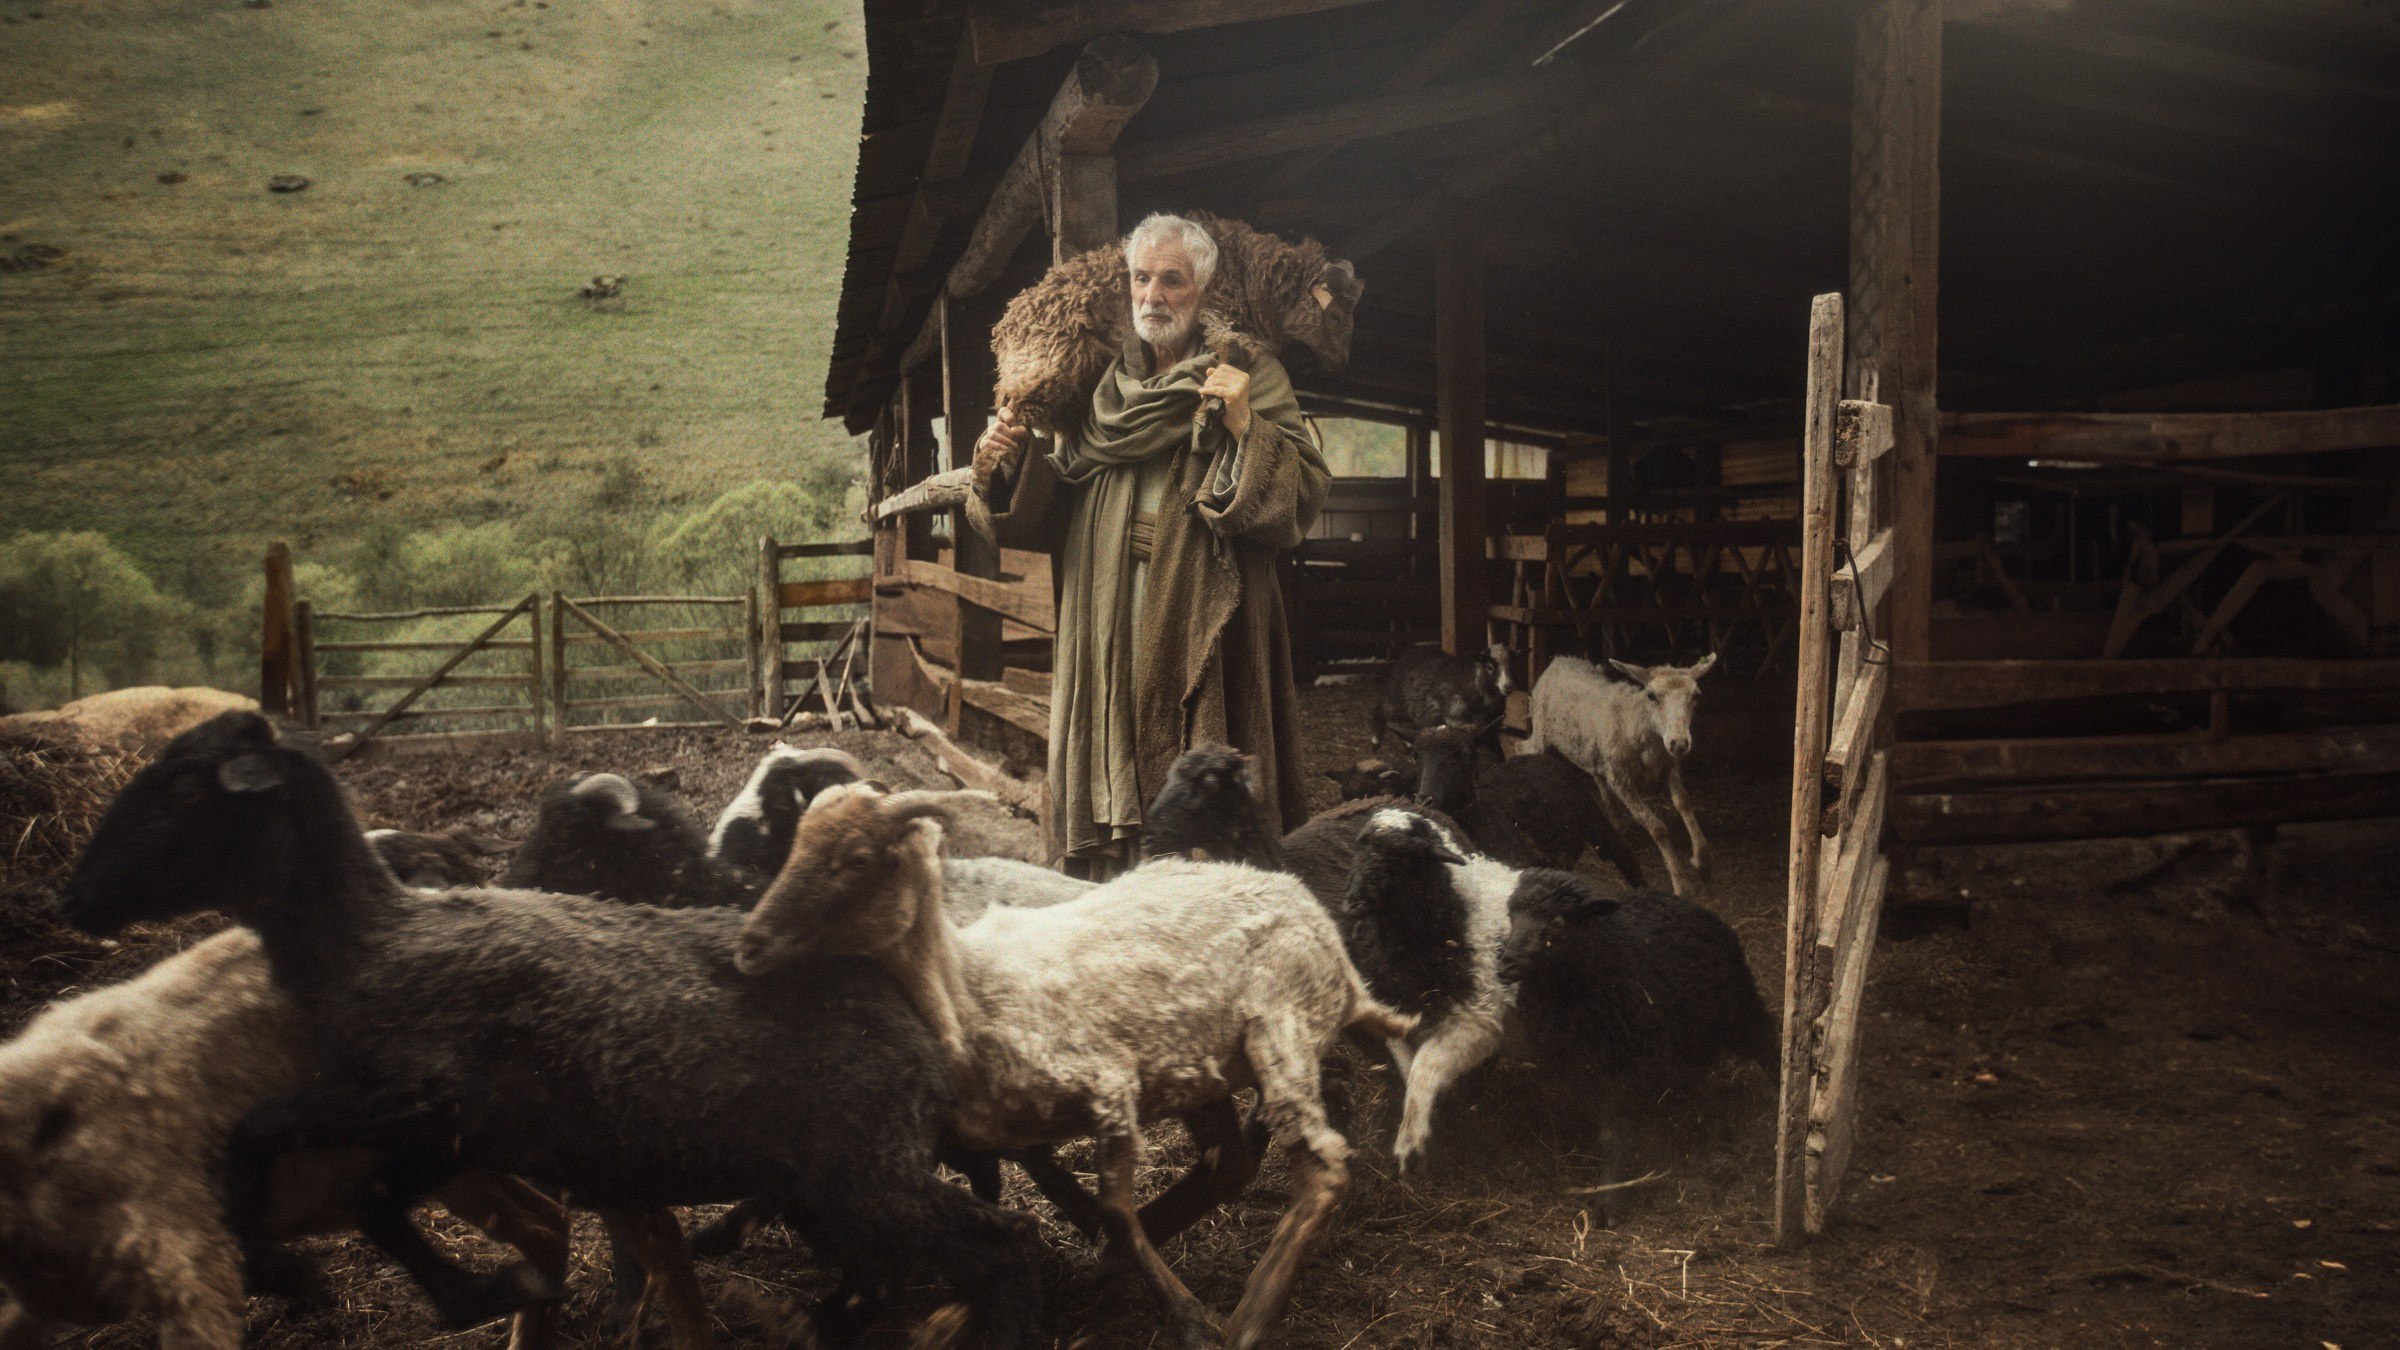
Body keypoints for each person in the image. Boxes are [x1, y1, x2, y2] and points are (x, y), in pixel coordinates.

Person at [967, 213, 1330, 876]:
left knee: (1202, 784)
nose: (1153, 296)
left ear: (1205, 289)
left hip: (1198, 605)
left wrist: (1247, 427)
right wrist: (1008, 459)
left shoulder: (1251, 374)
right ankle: (1112, 887)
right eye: (1141, 279)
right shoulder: (1096, 389)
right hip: (1104, 606)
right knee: (1112, 758)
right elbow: (1042, 507)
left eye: (1172, 280)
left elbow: (1303, 494)